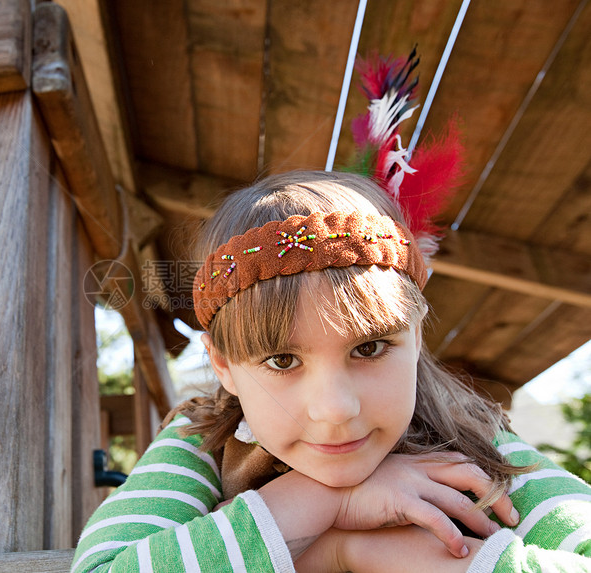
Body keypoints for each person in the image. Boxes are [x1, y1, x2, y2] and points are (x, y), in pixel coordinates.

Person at [70, 170, 591, 572]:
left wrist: (405, 556)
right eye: (281, 360)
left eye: (368, 349)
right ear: (223, 365)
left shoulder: (478, 442)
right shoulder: (201, 441)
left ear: (416, 333)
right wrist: (330, 521)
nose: (336, 409)